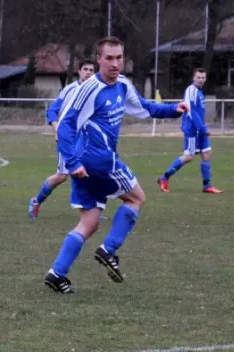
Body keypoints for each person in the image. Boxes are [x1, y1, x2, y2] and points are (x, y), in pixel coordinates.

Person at [43, 37, 189, 294]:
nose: (115, 63)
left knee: (89, 223)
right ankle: (108, 250)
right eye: (109, 58)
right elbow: (65, 124)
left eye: (119, 57)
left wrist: (173, 110)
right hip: (96, 160)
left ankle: (57, 273)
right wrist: (73, 161)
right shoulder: (89, 89)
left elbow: (143, 107)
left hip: (85, 166)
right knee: (135, 199)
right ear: (98, 59)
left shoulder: (122, 84)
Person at [28, 59, 102, 220]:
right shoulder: (70, 90)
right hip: (69, 139)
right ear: (79, 71)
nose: (89, 72)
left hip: (87, 139)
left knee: (91, 171)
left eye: (91, 70)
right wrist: (57, 130)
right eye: (86, 69)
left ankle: (91, 210)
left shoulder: (96, 91)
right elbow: (52, 111)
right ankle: (36, 201)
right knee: (62, 176)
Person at [157, 68, 223, 194]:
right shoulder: (191, 90)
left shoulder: (199, 91)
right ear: (193, 78)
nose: (201, 80)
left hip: (200, 128)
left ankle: (207, 185)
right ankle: (164, 178)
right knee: (188, 157)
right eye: (199, 77)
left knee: (207, 153)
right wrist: (203, 128)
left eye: (203, 77)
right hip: (193, 129)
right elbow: (191, 111)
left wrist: (202, 128)